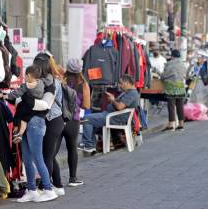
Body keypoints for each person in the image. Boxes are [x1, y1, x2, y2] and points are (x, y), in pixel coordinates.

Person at [21, 51, 65, 196]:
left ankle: (45, 188)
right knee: (49, 155)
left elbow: (46, 104)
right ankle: (57, 186)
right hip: (48, 120)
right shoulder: (42, 81)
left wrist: (27, 100)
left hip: (53, 120)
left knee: (46, 156)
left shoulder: (52, 82)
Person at [80, 74, 140, 151]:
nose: (119, 85)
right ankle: (92, 145)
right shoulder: (128, 92)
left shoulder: (132, 93)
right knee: (91, 120)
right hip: (111, 115)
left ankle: (88, 145)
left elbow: (119, 107)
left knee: (86, 119)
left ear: (127, 83)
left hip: (115, 117)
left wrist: (112, 99)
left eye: (121, 83)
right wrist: (113, 98)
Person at [55, 58, 90, 187]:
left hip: (58, 118)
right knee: (72, 149)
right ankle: (72, 178)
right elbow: (86, 105)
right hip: (73, 120)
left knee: (53, 151)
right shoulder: (83, 84)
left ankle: (50, 179)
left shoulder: (61, 80)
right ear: (80, 69)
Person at [0, 65, 45, 143]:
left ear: (29, 75)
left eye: (25, 76)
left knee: (20, 114)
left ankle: (18, 132)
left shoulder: (26, 86)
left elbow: (16, 94)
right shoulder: (41, 83)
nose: (24, 78)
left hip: (27, 106)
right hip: (36, 108)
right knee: (25, 119)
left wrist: (5, 96)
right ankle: (19, 133)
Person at [161, 49, 186, 130]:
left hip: (171, 87)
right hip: (180, 86)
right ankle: (181, 123)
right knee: (180, 105)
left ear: (172, 56)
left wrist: (161, 76)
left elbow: (164, 76)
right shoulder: (183, 64)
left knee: (171, 105)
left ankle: (171, 124)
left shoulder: (169, 63)